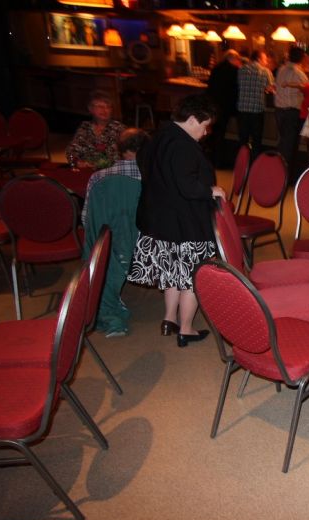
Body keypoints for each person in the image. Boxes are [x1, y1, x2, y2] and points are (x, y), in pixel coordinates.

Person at [127, 93, 226, 347]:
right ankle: (186, 329)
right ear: (192, 119)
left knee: (172, 273)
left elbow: (146, 168)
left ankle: (169, 319)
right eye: (205, 126)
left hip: (158, 221)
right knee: (193, 277)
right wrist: (210, 190)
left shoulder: (156, 137)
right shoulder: (182, 145)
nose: (205, 133)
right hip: (186, 224)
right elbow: (187, 186)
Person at [82, 127, 148, 226]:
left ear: (119, 149)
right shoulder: (155, 176)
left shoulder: (98, 177)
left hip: (111, 233)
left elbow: (87, 218)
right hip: (145, 233)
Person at [66, 90, 127, 169]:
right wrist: (78, 162)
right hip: (87, 170)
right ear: (90, 109)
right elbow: (72, 150)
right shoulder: (85, 127)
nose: (105, 110)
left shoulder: (119, 128)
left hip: (112, 171)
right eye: (100, 107)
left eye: (108, 107)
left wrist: (98, 165)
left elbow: (126, 154)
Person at [275, 46, 309, 174]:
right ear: (301, 58)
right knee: (290, 145)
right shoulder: (299, 74)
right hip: (292, 112)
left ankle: (279, 171)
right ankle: (285, 174)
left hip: (279, 110)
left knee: (283, 142)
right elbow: (308, 90)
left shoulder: (281, 70)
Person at [206, 49, 242, 167]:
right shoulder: (234, 71)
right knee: (222, 133)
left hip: (214, 104)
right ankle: (220, 160)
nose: (239, 61)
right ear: (233, 59)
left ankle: (214, 158)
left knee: (215, 133)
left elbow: (210, 87)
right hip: (226, 106)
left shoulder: (216, 69)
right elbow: (236, 90)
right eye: (237, 59)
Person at [237, 50, 273, 154]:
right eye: (265, 59)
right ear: (259, 59)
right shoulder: (265, 71)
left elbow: (239, 84)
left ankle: (242, 160)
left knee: (243, 139)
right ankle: (255, 160)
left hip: (242, 109)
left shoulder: (241, 69)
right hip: (257, 110)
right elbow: (271, 88)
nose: (266, 61)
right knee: (256, 140)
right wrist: (266, 89)